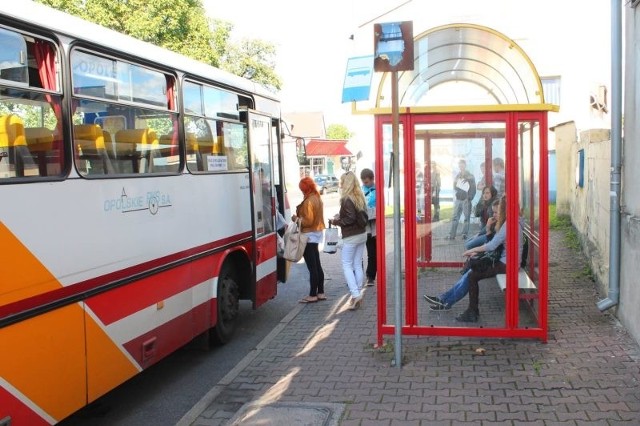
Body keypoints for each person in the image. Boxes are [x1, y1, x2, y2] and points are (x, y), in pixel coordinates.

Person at [424, 195, 523, 322]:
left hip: (508, 264)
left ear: (505, 209)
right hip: (507, 261)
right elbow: (494, 245)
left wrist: (472, 250)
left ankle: (469, 311)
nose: (495, 214)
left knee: (472, 275)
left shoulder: (510, 224)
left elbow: (492, 245)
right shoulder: (512, 221)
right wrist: (487, 229)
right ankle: (444, 300)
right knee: (471, 273)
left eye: (498, 211)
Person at [330, 171, 368, 310]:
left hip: (351, 236)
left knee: (347, 265)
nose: (340, 184)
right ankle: (356, 294)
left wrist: (336, 221)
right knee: (357, 264)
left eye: (341, 182)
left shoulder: (347, 199)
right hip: (362, 234)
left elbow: (350, 219)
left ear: (346, 184)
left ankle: (355, 294)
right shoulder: (360, 197)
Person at [291, 176, 326, 303]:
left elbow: (307, 221)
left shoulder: (309, 201)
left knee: (312, 267)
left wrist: (296, 219)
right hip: (316, 233)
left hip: (308, 235)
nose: (301, 191)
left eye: (302, 189)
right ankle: (320, 292)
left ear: (305, 189)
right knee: (317, 264)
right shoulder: (317, 197)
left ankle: (312, 294)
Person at [447, 159, 476, 240]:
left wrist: (469, 198)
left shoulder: (470, 175)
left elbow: (473, 188)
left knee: (466, 217)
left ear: (465, 165)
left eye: (462, 165)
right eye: (459, 165)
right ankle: (452, 235)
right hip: (458, 199)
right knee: (455, 217)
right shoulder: (458, 175)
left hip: (466, 199)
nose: (461, 166)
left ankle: (464, 234)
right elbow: (454, 186)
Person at [464, 186, 498, 250]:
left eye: (487, 193)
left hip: (492, 233)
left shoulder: (494, 205)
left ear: (492, 194)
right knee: (467, 242)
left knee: (468, 245)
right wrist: (480, 201)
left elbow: (491, 223)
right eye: (484, 193)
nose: (485, 195)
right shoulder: (484, 202)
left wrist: (479, 234)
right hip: (484, 230)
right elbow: (477, 214)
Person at [360, 168, 376, 286]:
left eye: (366, 182)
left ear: (372, 179)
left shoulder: (377, 190)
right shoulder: (361, 191)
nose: (365, 184)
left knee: (374, 252)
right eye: (363, 182)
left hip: (375, 224)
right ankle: (365, 276)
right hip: (365, 225)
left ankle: (371, 274)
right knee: (365, 251)